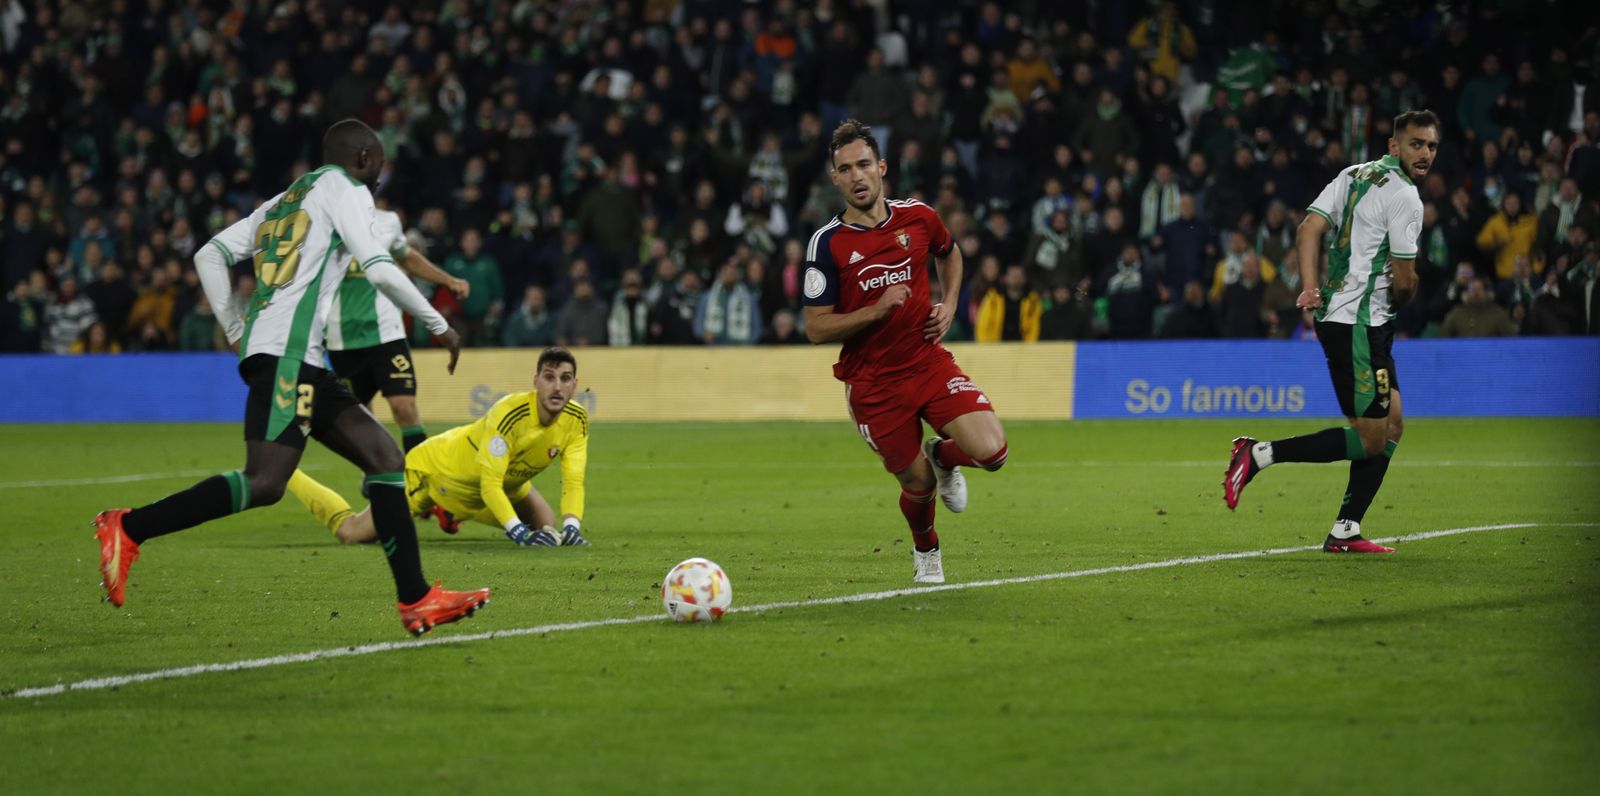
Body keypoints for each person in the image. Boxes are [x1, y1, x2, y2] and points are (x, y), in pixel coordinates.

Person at [92, 119, 487, 637]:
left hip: (294, 355)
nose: (382, 171)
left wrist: (236, 327)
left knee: (387, 459)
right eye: (381, 160)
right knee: (264, 481)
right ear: (365, 157)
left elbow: (209, 254)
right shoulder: (345, 188)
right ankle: (128, 526)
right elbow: (379, 264)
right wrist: (438, 324)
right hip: (286, 355)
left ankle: (417, 599)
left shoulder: (284, 200)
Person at [802, 120, 1009, 584]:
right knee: (918, 485)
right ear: (834, 179)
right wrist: (875, 311)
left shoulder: (918, 217)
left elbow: (949, 253)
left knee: (994, 452)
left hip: (927, 361)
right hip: (874, 386)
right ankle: (927, 550)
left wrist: (950, 303)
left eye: (862, 165)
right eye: (844, 169)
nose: (856, 176)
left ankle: (945, 454)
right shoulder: (826, 244)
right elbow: (815, 328)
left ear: (881, 167)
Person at [1224, 110, 1439, 554]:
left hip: (1355, 320)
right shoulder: (1406, 198)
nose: (1425, 154)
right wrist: (1409, 292)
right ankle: (1260, 454)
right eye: (1417, 144)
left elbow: (1308, 229)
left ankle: (1346, 528)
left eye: (1432, 146)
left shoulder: (1354, 174)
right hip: (1357, 324)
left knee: (1393, 422)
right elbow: (1403, 281)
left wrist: (1309, 288)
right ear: (1394, 145)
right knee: (1369, 437)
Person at [287, 347, 590, 548]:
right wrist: (518, 533)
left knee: (548, 526)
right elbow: (490, 485)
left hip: (496, 481)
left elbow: (574, 479)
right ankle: (288, 473)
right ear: (535, 381)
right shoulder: (509, 415)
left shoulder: (576, 420)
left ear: (575, 384)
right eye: (549, 378)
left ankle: (451, 511)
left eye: (565, 379)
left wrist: (573, 525)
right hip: (435, 473)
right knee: (352, 533)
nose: (557, 387)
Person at [326, 207, 469, 454]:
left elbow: (406, 257)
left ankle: (420, 476)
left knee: (404, 407)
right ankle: (376, 471)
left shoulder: (388, 221)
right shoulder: (323, 222)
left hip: (386, 333)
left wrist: (448, 280)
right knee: (359, 417)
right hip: (341, 339)